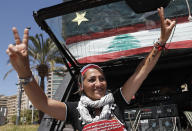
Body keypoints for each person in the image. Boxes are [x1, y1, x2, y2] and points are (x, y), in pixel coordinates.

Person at [6, 7, 176, 130]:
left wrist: (161, 42)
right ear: (81, 86)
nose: (98, 83)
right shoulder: (73, 110)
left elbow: (142, 71)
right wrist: (24, 72)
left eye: (101, 78)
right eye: (92, 79)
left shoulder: (116, 100)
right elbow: (42, 103)